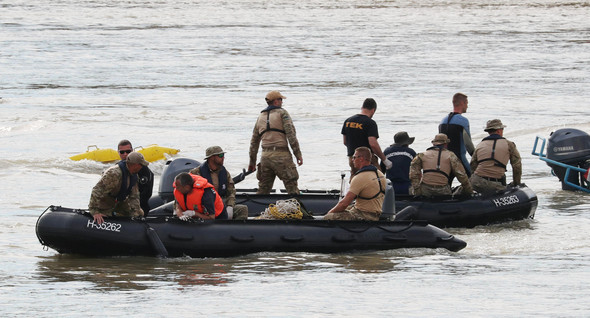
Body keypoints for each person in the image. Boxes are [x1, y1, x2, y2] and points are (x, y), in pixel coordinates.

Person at [248, 90, 302, 195]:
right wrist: (298, 155)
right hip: (282, 157)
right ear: (276, 102)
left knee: (263, 189)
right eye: (281, 100)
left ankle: (259, 209)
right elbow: (291, 136)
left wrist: (252, 163)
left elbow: (254, 143)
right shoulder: (283, 113)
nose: (282, 102)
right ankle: (299, 208)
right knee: (292, 187)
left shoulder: (260, 117)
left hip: (265, 158)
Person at [324, 147, 386, 221]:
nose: (352, 160)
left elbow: (343, 204)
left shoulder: (360, 177)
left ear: (361, 158)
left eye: (354, 157)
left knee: (328, 217)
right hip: (375, 214)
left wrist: (328, 214)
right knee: (347, 208)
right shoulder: (380, 174)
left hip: (364, 215)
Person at [190, 146, 249, 220]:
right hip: (204, 207)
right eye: (220, 155)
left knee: (243, 209)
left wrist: (230, 206)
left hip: (219, 205)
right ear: (211, 157)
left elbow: (231, 191)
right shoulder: (196, 173)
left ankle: (234, 230)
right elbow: (183, 189)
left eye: (223, 155)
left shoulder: (224, 173)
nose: (223, 157)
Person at [88, 152, 149, 224]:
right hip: (106, 201)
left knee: (140, 212)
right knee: (105, 217)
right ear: (135, 165)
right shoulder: (114, 173)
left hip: (120, 201)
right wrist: (95, 211)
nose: (142, 167)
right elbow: (97, 190)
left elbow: (134, 196)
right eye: (141, 165)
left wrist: (136, 214)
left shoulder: (134, 176)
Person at [341, 98, 392, 176]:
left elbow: (345, 142)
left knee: (355, 180)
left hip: (352, 158)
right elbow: (373, 145)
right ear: (373, 110)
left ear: (362, 107)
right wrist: (384, 160)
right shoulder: (370, 123)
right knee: (378, 179)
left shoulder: (348, 121)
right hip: (367, 159)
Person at [470, 119, 522, 194]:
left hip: (476, 182)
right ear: (498, 131)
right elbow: (517, 166)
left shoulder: (480, 145)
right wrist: (517, 184)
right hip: (495, 184)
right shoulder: (509, 145)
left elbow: (473, 165)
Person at [439, 93, 475, 177]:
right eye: (467, 103)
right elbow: (468, 144)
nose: (467, 106)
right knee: (471, 179)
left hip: (445, 159)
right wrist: (475, 157)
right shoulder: (463, 121)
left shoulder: (443, 121)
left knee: (447, 183)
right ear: (462, 103)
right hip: (459, 158)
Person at [117, 140, 154, 216]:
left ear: (132, 151)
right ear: (118, 153)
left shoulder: (142, 169)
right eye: (122, 152)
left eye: (128, 151)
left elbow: (146, 193)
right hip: (121, 205)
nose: (125, 154)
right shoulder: (116, 169)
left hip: (139, 206)